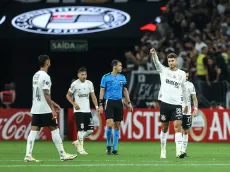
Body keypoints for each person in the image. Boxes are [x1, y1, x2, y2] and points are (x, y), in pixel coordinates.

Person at [24, 55, 77, 162]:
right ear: (47, 62)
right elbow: (46, 94)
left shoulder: (35, 75)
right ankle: (63, 154)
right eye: (49, 61)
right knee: (54, 129)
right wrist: (52, 109)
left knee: (33, 131)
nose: (50, 63)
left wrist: (54, 103)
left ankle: (28, 155)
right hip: (45, 109)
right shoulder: (46, 76)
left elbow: (40, 93)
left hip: (36, 108)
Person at [150, 48, 188, 159]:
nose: (171, 63)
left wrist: (185, 104)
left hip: (177, 104)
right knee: (164, 128)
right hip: (165, 104)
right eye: (169, 61)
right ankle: (163, 149)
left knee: (177, 126)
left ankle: (179, 151)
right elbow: (156, 63)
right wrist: (154, 54)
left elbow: (184, 89)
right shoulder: (164, 70)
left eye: (172, 60)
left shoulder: (181, 74)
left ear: (176, 61)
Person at [99, 59, 133, 155]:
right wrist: (100, 104)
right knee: (109, 124)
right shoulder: (105, 77)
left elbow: (125, 91)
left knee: (117, 125)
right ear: (114, 66)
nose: (121, 67)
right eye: (120, 65)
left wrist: (129, 103)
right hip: (109, 102)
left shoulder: (122, 77)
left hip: (119, 102)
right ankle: (108, 145)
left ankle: (114, 149)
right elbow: (102, 90)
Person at [66, 67, 99, 155]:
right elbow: (68, 95)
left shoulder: (89, 83)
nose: (84, 76)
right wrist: (74, 104)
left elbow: (93, 96)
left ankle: (77, 142)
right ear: (78, 75)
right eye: (82, 75)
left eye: (85, 74)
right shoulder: (74, 84)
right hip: (78, 111)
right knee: (80, 130)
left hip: (87, 110)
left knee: (90, 130)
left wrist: (96, 107)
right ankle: (80, 148)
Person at [181, 71, 198, 157]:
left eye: (187, 76)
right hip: (178, 109)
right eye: (185, 76)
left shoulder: (190, 85)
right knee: (179, 130)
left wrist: (195, 109)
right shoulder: (176, 84)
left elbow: (194, 98)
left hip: (187, 111)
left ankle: (183, 151)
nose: (186, 77)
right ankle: (179, 150)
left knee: (186, 131)